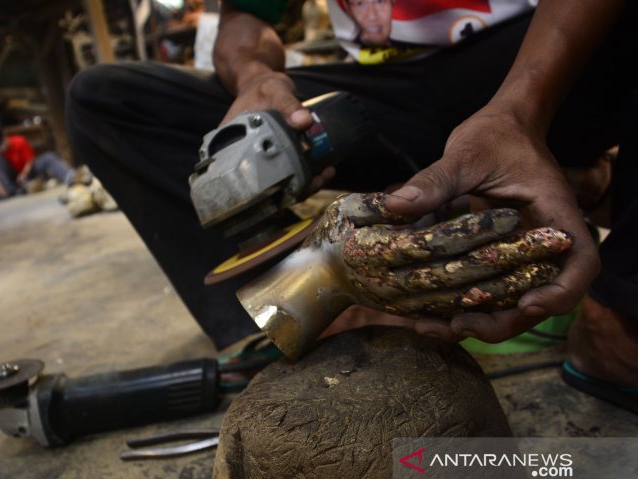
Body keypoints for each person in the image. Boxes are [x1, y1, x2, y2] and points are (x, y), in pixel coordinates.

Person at [66, 0, 638, 411]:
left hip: (538, 60)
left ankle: (622, 314)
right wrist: (256, 76)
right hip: (381, 88)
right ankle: (290, 312)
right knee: (107, 100)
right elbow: (243, 20)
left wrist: (517, 113)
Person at [0, 128, 74, 198]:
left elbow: (30, 160)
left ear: (4, 137)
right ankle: (14, 191)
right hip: (14, 180)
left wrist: (24, 174)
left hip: (28, 173)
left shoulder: (19, 141)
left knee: (48, 157)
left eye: (0, 144)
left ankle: (71, 176)